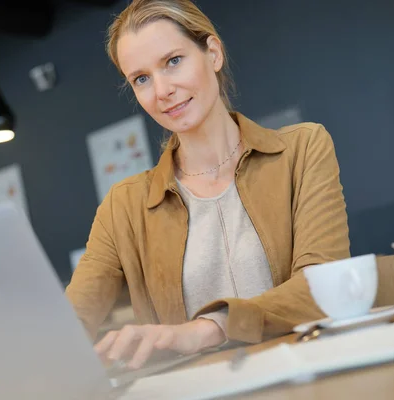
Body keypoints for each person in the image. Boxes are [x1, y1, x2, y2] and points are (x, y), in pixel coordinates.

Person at [66, 0, 350, 370]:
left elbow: (322, 283)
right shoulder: (123, 206)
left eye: (173, 61)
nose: (162, 90)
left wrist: (205, 329)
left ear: (212, 53)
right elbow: (71, 322)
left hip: (313, 375)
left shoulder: (303, 148)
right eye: (141, 78)